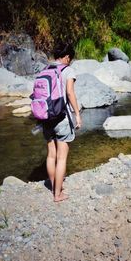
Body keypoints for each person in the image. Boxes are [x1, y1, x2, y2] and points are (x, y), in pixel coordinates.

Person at [42, 42, 82, 202]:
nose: (70, 61)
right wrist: (77, 114)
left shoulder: (45, 70)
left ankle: (54, 187)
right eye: (70, 58)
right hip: (61, 118)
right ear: (66, 57)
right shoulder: (68, 70)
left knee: (51, 155)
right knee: (62, 157)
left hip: (45, 117)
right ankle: (57, 195)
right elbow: (70, 93)